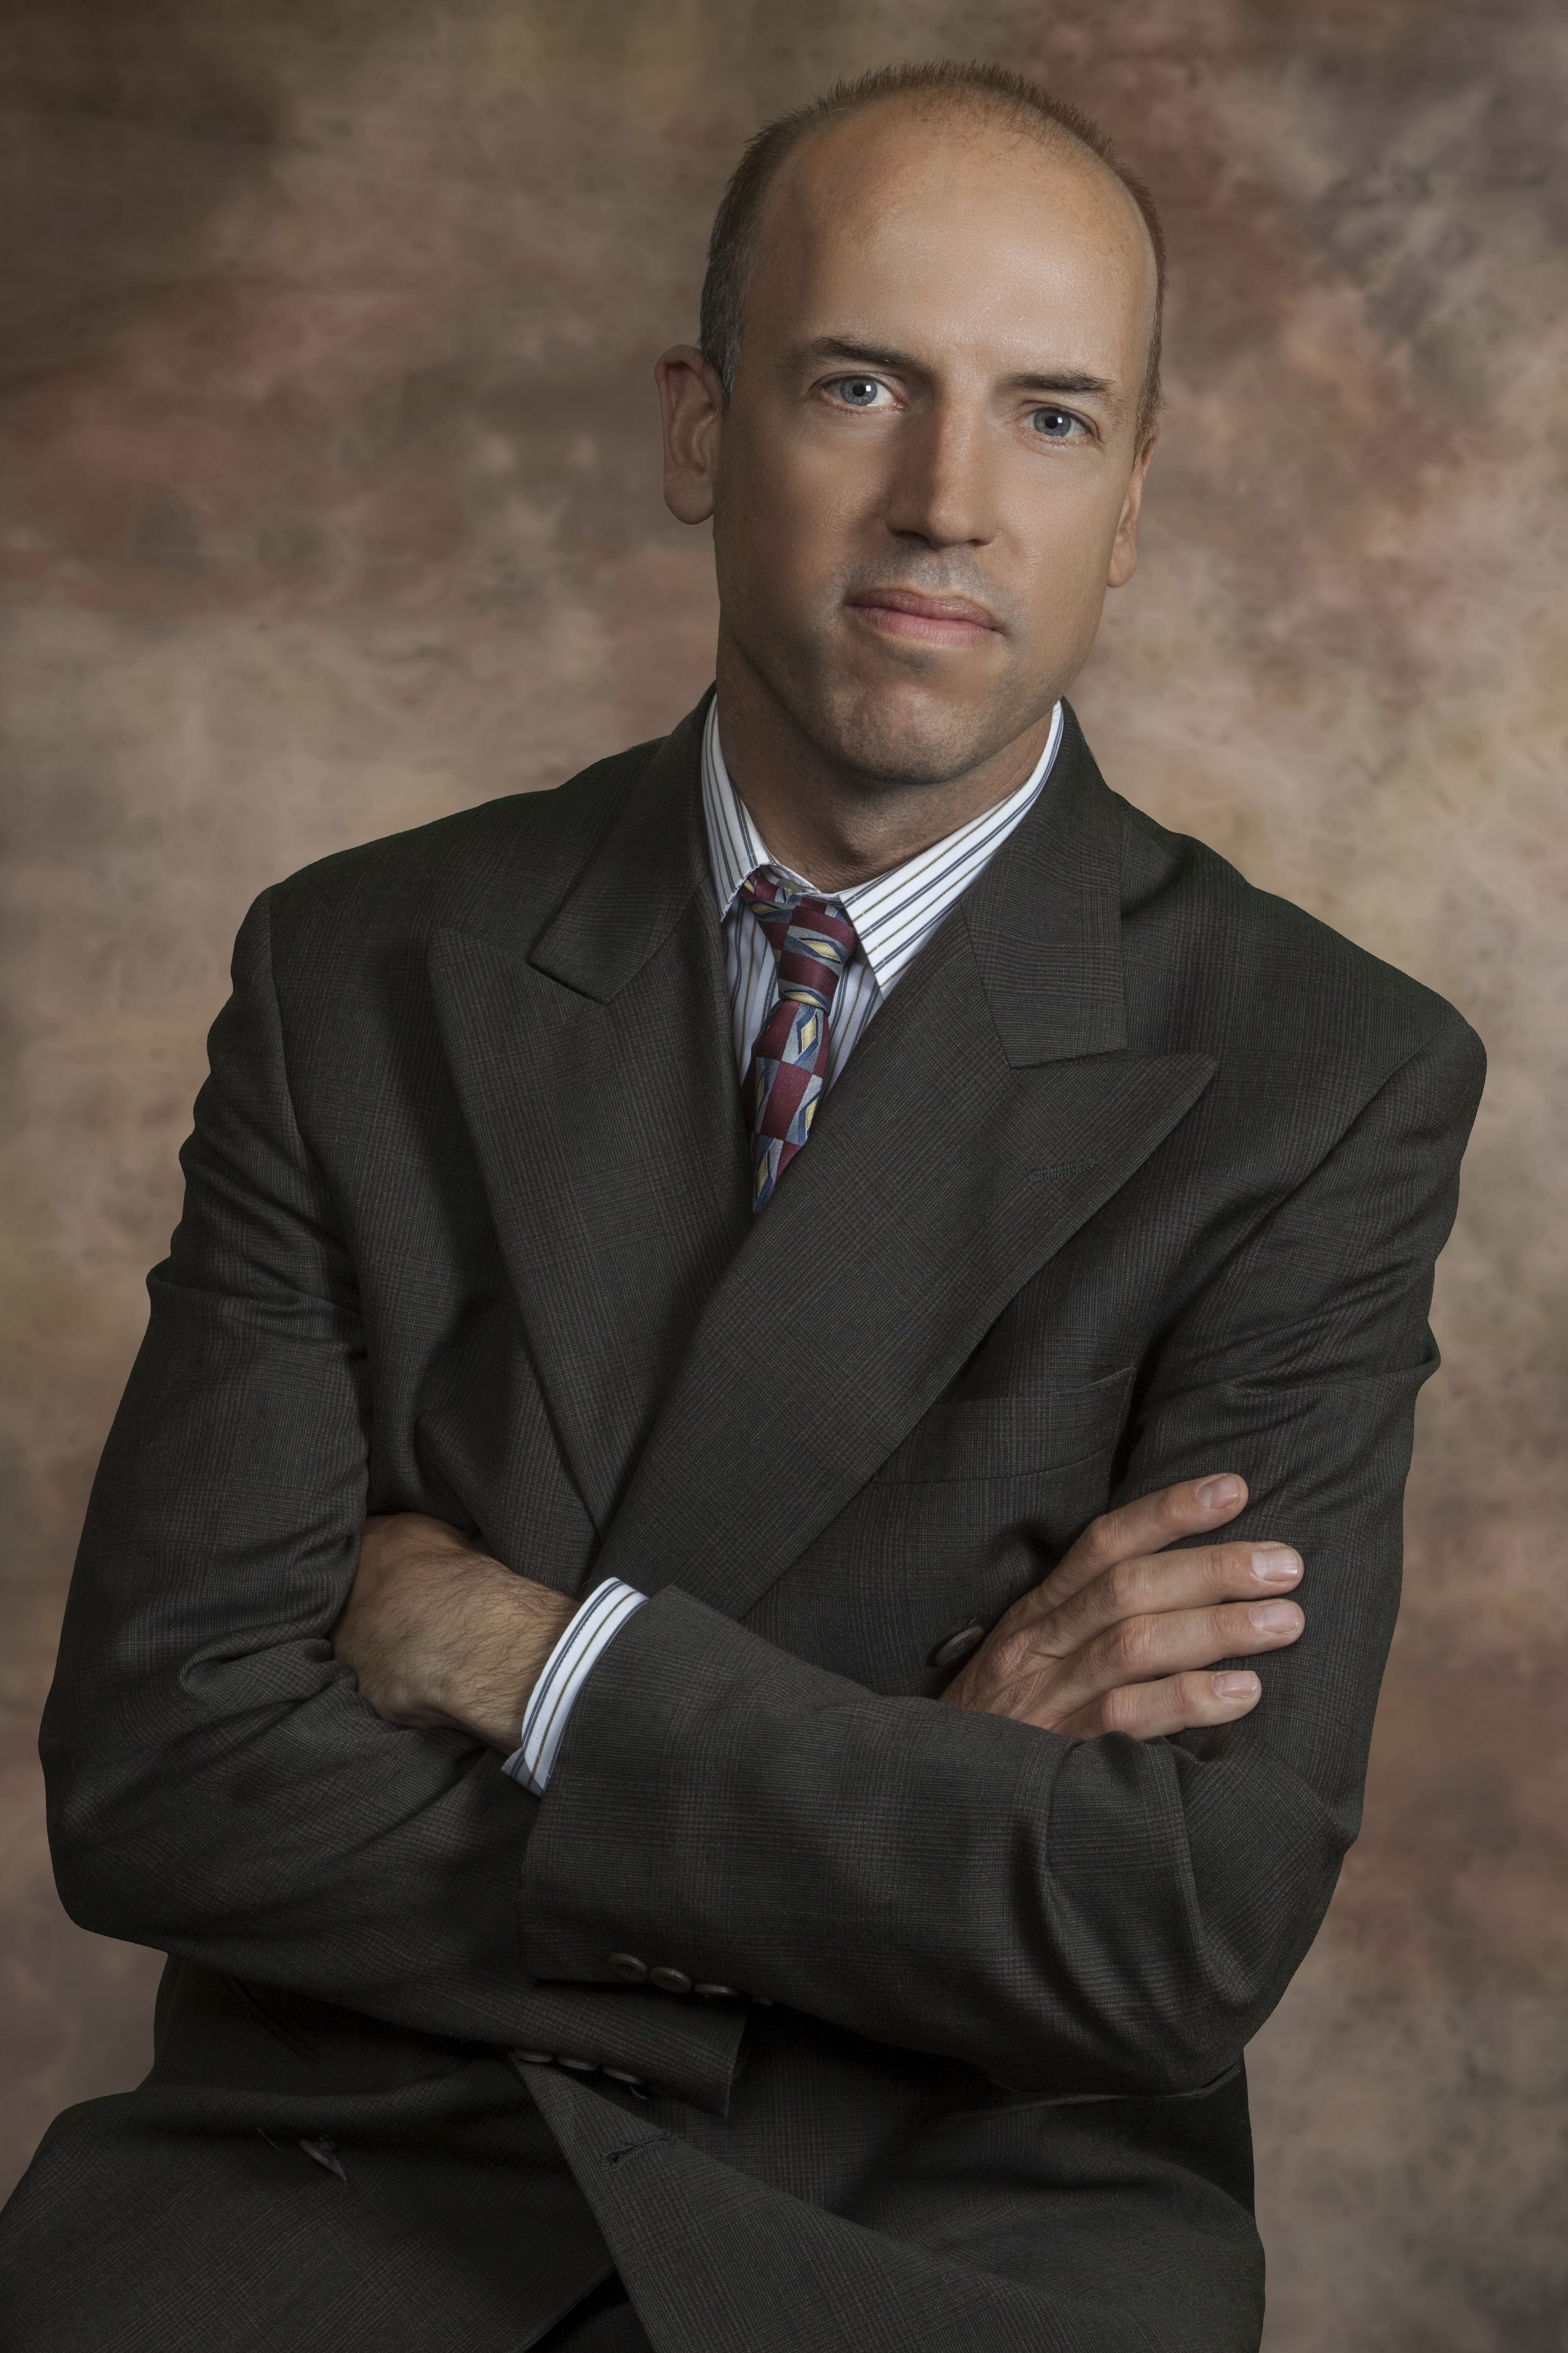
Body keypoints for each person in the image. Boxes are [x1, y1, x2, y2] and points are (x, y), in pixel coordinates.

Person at [0, 60, 1483, 2353]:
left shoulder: (1326, 1079)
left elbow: (1167, 1929)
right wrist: (921, 1783)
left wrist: (530, 1656)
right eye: (860, 384)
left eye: (1052, 417)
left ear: (1133, 500)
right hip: (346, 2172)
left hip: (961, 2216)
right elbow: (166, 1781)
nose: (948, 502)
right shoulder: (357, 969)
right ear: (702, 430)